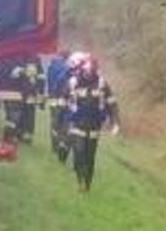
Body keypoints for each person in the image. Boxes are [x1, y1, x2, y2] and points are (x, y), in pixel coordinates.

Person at [65, 53, 118, 192]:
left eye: (91, 70)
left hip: (94, 126)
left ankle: (87, 184)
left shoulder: (102, 84)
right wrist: (63, 121)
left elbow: (112, 103)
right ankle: (80, 180)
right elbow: (64, 101)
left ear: (95, 70)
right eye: (86, 70)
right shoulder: (73, 82)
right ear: (82, 69)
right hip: (77, 124)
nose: (88, 73)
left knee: (89, 156)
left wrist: (115, 122)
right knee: (78, 153)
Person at [46, 50, 75, 163]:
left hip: (53, 97)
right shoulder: (66, 68)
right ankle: (61, 144)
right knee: (63, 122)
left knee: (54, 122)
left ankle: (54, 145)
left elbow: (49, 80)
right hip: (62, 98)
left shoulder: (51, 65)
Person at [0, 58, 31, 144]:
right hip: (13, 91)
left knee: (10, 116)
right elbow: (10, 74)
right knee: (14, 115)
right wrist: (21, 71)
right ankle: (10, 136)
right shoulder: (8, 61)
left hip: (10, 91)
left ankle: (8, 136)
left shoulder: (4, 59)